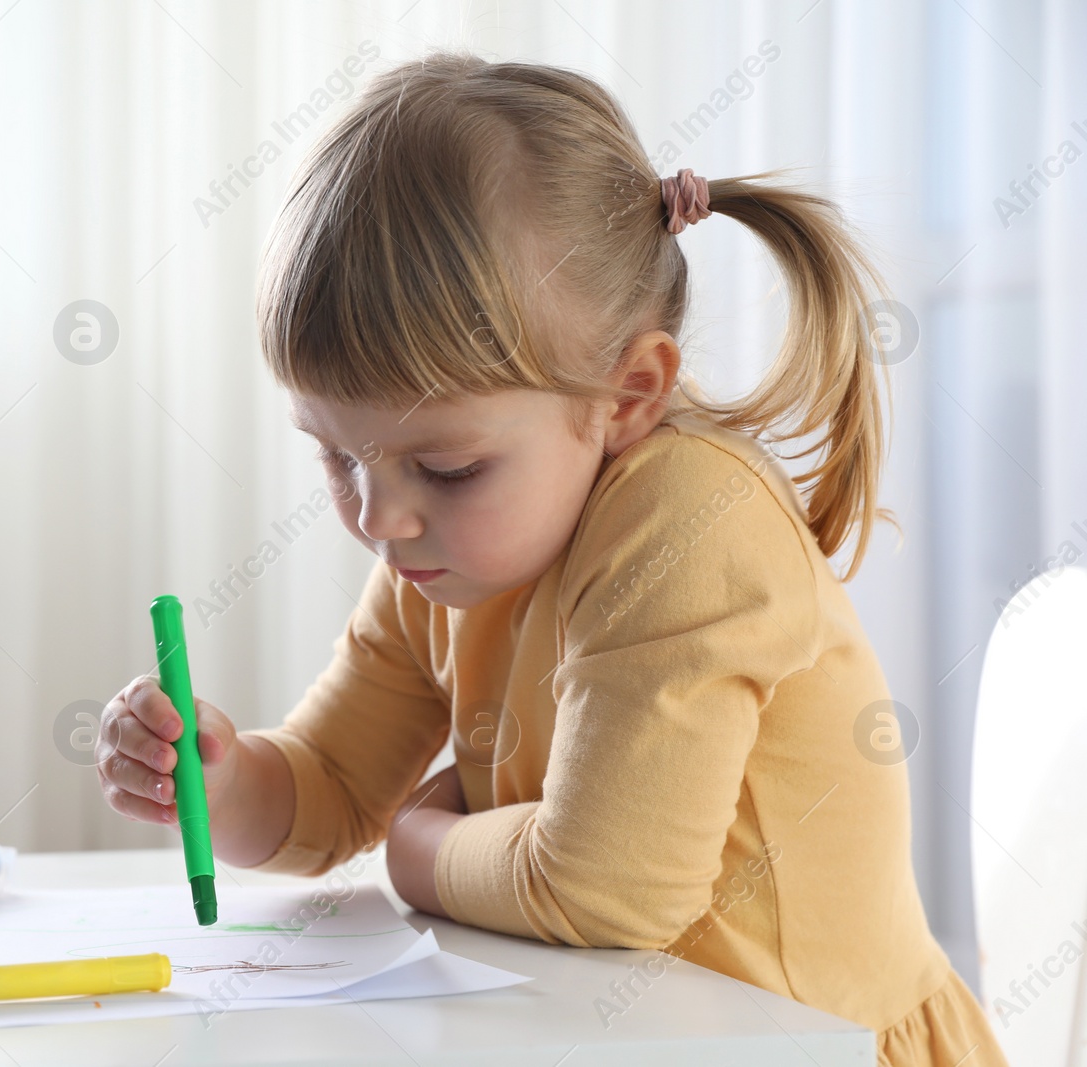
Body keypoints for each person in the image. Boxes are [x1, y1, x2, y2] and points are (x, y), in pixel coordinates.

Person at [96, 52, 1005, 1065]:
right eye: (335, 453)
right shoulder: (439, 559)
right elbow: (327, 794)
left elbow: (606, 888)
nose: (378, 515)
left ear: (628, 395)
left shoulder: (689, 517)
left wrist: (417, 844)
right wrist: (214, 777)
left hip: (813, 1045)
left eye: (446, 466)